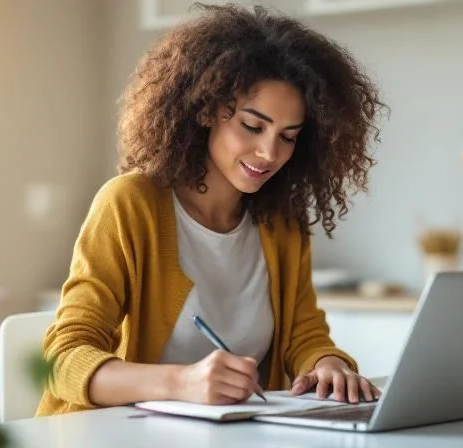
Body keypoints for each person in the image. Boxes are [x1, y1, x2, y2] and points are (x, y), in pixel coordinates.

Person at [36, 2, 385, 416]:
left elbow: (302, 335)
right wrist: (181, 382)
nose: (269, 152)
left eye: (288, 137)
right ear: (205, 111)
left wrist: (328, 366)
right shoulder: (130, 204)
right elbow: (61, 359)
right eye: (252, 127)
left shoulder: (282, 224)